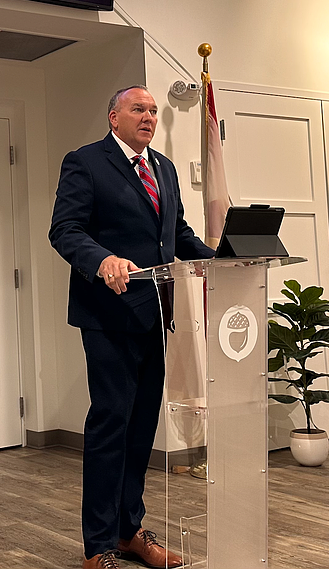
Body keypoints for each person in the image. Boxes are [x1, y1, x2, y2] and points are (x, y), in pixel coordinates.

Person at [49, 85, 215, 569]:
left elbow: (176, 234)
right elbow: (65, 230)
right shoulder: (85, 162)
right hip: (108, 316)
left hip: (155, 314)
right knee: (111, 425)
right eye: (138, 109)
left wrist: (222, 259)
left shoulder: (163, 168)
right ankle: (98, 545)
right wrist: (102, 259)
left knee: (141, 428)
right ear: (113, 117)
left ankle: (129, 531)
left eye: (153, 111)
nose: (148, 117)